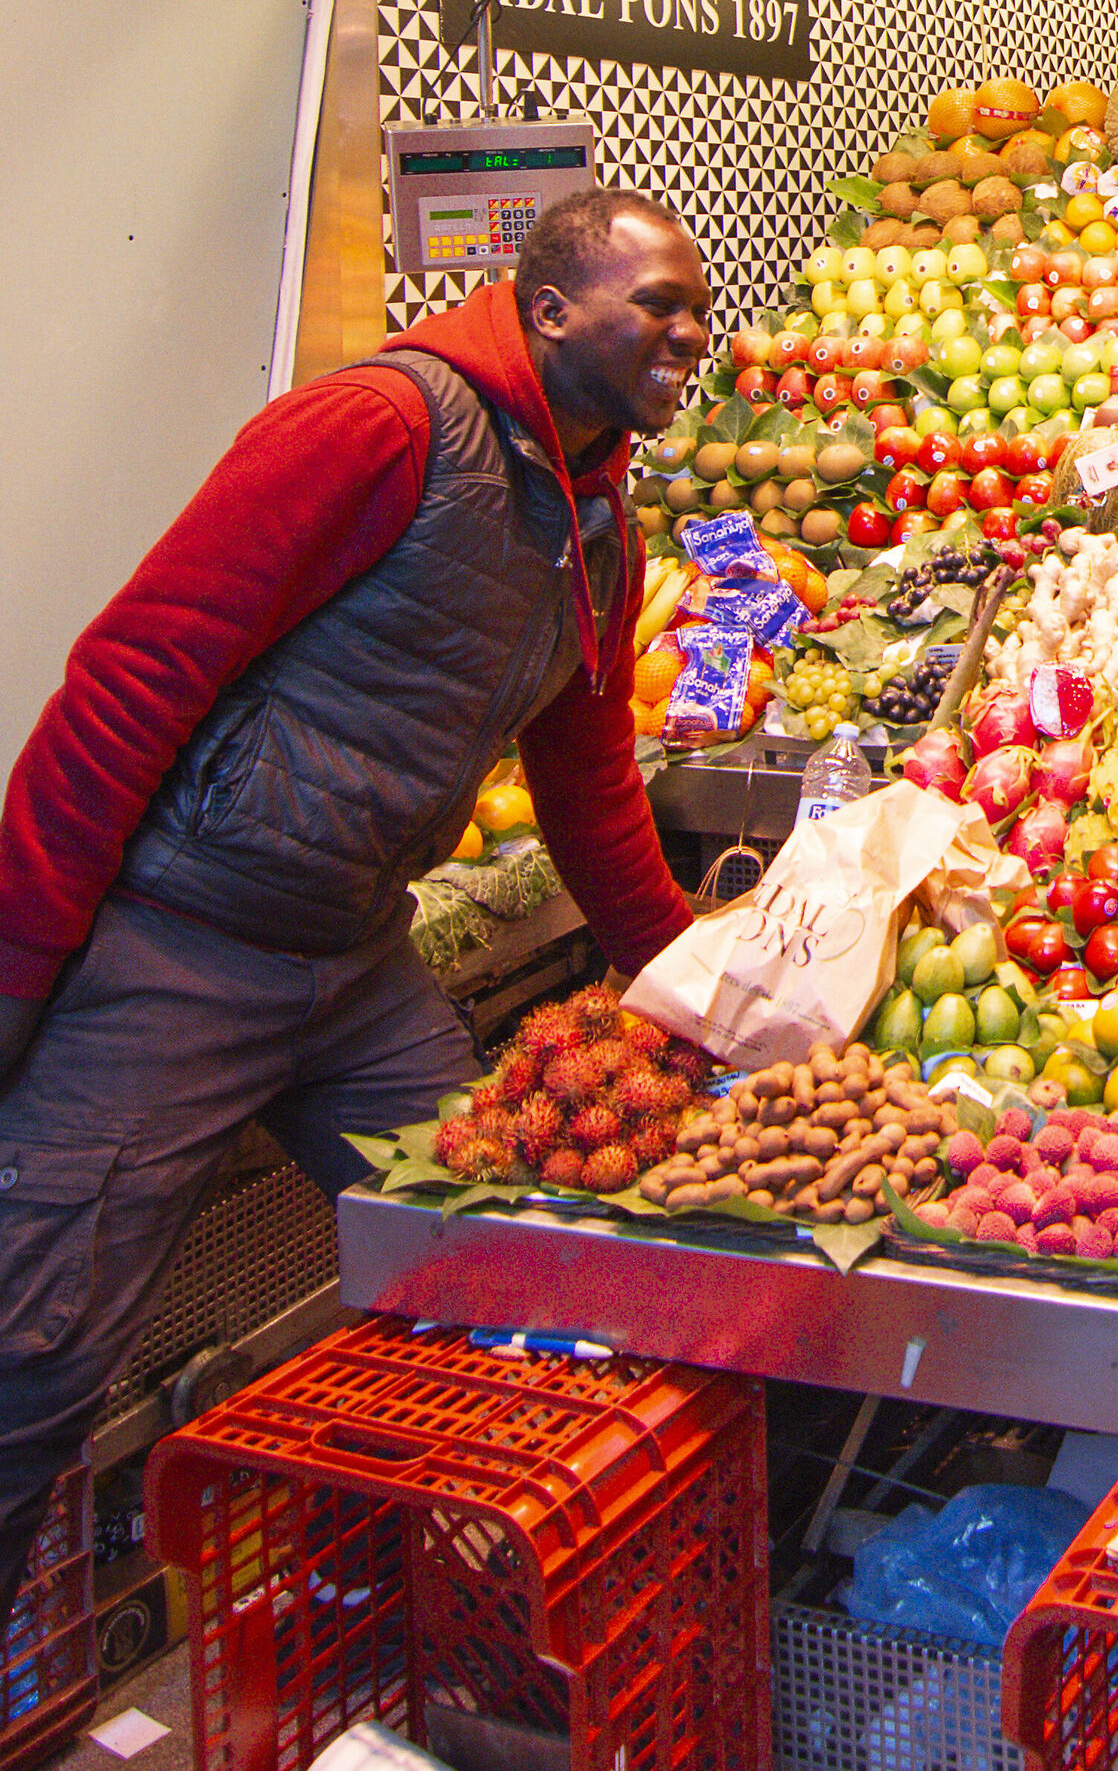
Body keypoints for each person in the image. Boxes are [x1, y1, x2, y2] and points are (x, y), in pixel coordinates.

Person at [0, 186, 708, 1619]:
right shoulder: (380, 427)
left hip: (356, 957)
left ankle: (454, 1618)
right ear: (550, 309)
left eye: (701, 310)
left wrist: (694, 989)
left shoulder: (596, 517)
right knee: (33, 1355)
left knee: (495, 1254)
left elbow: (586, 780)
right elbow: (129, 684)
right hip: (176, 946)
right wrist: (19, 968)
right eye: (660, 305)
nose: (693, 334)